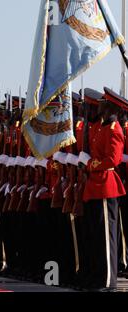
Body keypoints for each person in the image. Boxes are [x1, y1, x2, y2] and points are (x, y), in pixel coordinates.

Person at [79, 87, 127, 291]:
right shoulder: (99, 127)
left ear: (111, 107)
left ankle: (108, 280)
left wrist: (89, 164)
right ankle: (98, 277)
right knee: (96, 236)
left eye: (103, 103)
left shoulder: (114, 129)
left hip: (106, 185)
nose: (100, 106)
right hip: (93, 186)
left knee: (107, 237)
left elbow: (112, 160)